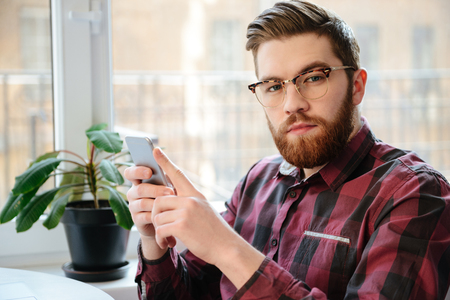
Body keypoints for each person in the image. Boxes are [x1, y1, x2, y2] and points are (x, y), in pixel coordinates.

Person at [124, 1, 450, 299]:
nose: (292, 104)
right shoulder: (256, 182)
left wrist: (226, 247)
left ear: (357, 86)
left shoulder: (414, 193)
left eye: (313, 78)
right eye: (274, 86)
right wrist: (154, 240)